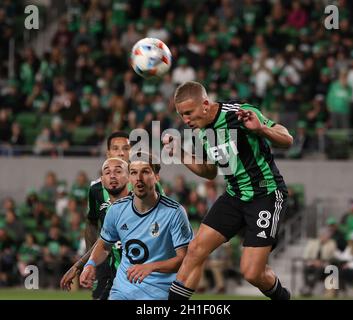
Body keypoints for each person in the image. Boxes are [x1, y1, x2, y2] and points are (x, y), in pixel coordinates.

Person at [162, 81, 293, 300]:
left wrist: (261, 129)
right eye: (181, 114)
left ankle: (283, 298)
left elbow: (287, 139)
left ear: (205, 104)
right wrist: (180, 153)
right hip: (234, 195)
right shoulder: (202, 131)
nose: (185, 120)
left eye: (188, 113)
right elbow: (209, 171)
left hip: (265, 194)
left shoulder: (240, 113)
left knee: (252, 273)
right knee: (195, 250)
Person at [79, 152, 193, 300]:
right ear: (129, 178)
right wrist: (91, 263)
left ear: (156, 177)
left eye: (145, 172)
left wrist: (151, 267)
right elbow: (104, 244)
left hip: (158, 294)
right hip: (121, 291)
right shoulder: (116, 210)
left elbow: (184, 259)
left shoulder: (174, 212)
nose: (139, 179)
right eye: (133, 172)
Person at [60, 131, 130, 299]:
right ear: (108, 153)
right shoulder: (96, 189)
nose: (121, 153)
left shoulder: (145, 185)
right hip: (107, 258)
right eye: (115, 148)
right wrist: (91, 262)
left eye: (126, 148)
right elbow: (92, 224)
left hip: (139, 262)